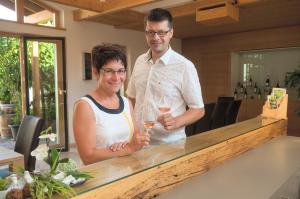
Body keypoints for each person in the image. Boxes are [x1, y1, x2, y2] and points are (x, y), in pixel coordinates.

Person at [126, 8, 205, 144]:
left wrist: (176, 121)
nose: (155, 37)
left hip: (170, 145)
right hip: (139, 142)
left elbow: (198, 109)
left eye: (161, 32)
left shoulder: (184, 66)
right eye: (151, 32)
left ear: (171, 33)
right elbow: (131, 98)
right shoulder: (139, 61)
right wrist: (132, 128)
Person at [73, 45, 150, 165]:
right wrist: (128, 148)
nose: (116, 78)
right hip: (103, 179)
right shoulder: (85, 106)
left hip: (129, 172)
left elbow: (137, 140)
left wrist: (136, 143)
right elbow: (87, 157)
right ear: (95, 72)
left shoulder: (126, 102)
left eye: (121, 71)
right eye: (109, 71)